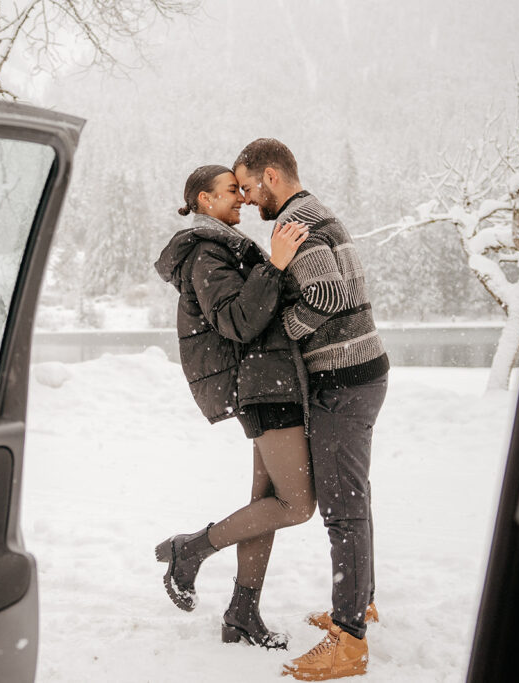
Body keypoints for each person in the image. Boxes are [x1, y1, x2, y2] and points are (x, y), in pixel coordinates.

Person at [233, 139, 389, 680]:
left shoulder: (295, 226)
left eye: (250, 187)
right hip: (361, 374)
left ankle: (349, 641)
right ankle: (359, 604)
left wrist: (280, 334)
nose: (249, 200)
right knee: (354, 498)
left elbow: (325, 294)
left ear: (272, 176)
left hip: (343, 381)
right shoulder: (315, 213)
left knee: (342, 510)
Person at [153, 164, 315, 650]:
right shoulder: (207, 252)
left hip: (273, 382)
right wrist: (276, 265)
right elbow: (236, 320)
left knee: (265, 505)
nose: (241, 198)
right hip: (263, 388)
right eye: (230, 192)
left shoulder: (228, 248)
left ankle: (242, 612)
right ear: (205, 200)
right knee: (297, 505)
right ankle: (192, 550)